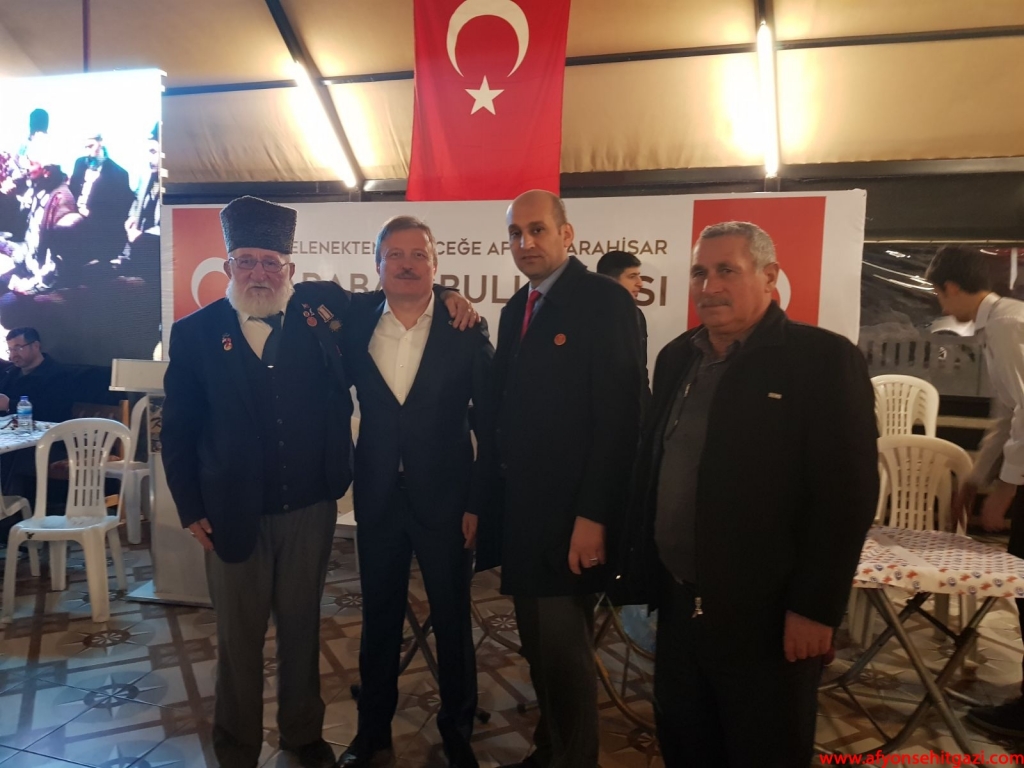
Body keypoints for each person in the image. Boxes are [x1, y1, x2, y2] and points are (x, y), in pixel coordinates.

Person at [161, 196, 475, 768]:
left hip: (309, 506)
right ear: (228, 266)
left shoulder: (318, 314)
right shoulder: (195, 333)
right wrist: (190, 507)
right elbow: (178, 429)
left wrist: (451, 292)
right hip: (231, 510)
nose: (260, 273)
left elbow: (406, 285)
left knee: (303, 628)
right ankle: (236, 749)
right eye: (247, 261)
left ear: (290, 268)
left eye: (271, 262)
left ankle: (303, 737)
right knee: (238, 638)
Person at [617, 221, 878, 767]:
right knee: (686, 744)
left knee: (764, 749)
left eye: (726, 271)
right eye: (699, 272)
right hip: (681, 604)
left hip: (769, 618)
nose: (709, 286)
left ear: (769, 276)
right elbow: (654, 465)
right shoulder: (677, 357)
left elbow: (846, 497)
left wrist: (814, 609)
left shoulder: (822, 361)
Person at [484, 190, 644, 768]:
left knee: (564, 655)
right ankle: (550, 749)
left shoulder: (605, 302)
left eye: (537, 230)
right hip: (524, 515)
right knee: (539, 651)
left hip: (573, 518)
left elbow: (622, 419)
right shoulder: (516, 308)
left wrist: (594, 516)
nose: (525, 242)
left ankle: (574, 759)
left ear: (566, 234)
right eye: (515, 233)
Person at [337, 216, 494, 768]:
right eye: (395, 255)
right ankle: (372, 732)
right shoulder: (355, 322)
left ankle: (457, 732)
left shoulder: (466, 329)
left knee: (452, 618)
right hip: (379, 496)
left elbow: (490, 424)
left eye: (419, 255)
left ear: (435, 264)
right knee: (378, 617)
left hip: (448, 501)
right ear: (377, 265)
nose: (407, 264)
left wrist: (478, 502)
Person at [925, 245, 1024, 737]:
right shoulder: (1001, 323)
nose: (942, 307)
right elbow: (1005, 413)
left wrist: (1005, 488)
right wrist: (975, 479)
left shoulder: (1007, 323)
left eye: (939, 296)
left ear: (951, 288)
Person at [68, 132, 134, 273]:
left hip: (99, 230)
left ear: (101, 142)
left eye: (91, 146)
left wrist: (89, 214)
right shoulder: (79, 164)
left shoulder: (118, 175)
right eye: (85, 147)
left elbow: (117, 214)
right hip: (74, 219)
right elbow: (72, 191)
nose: (88, 153)